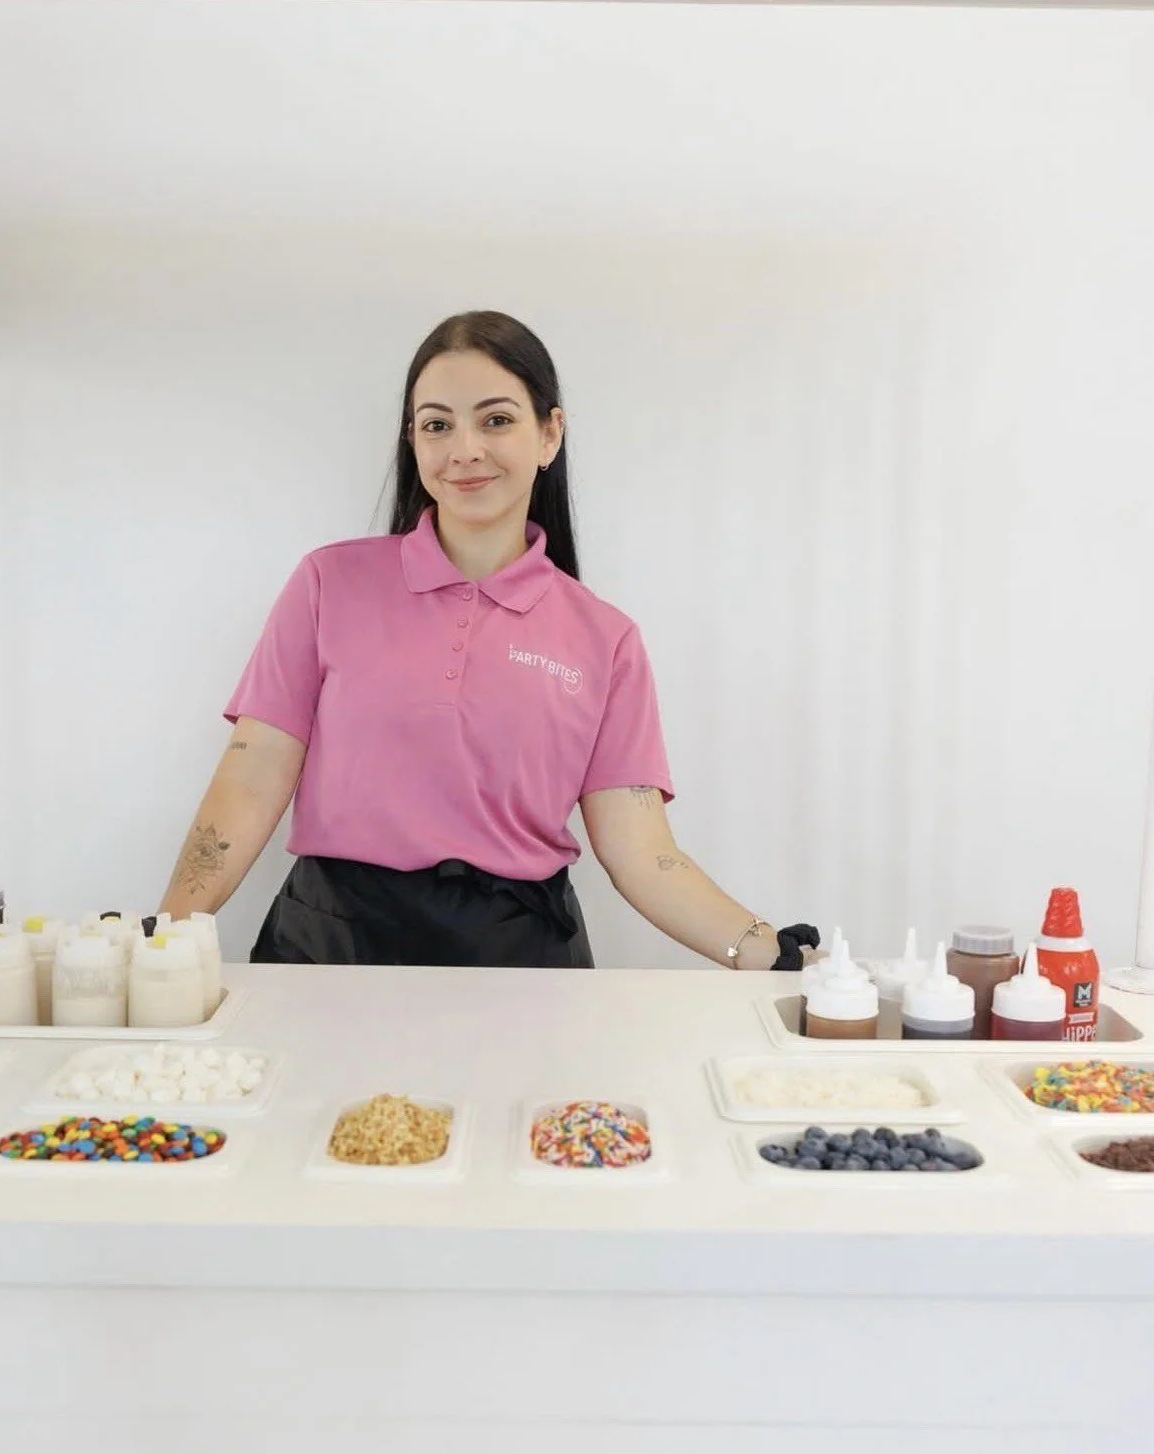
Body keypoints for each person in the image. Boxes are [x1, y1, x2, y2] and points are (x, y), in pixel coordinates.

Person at [159, 310, 817, 971]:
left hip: (518, 959)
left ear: (549, 434)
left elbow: (645, 853)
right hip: (329, 948)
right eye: (437, 424)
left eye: (496, 420)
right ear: (412, 441)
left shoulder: (605, 639)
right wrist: (165, 940)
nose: (464, 449)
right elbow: (249, 779)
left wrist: (767, 950)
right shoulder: (329, 583)